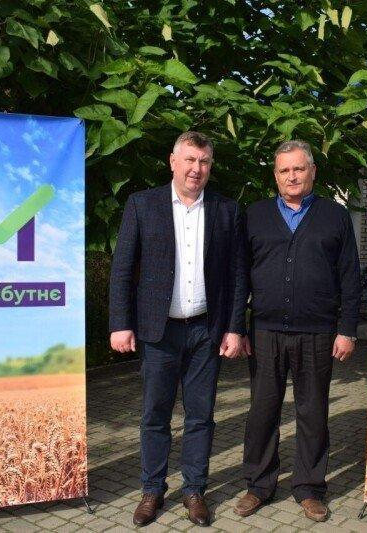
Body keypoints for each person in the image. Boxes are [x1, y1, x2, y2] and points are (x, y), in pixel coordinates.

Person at [109, 131, 247, 527]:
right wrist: (120, 323)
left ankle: (194, 490)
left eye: (203, 162)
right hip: (159, 332)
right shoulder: (142, 204)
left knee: (201, 416)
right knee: (155, 414)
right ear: (173, 162)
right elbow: (122, 268)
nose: (196, 169)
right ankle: (152, 490)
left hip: (206, 331)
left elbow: (237, 275)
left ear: (210, 166)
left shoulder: (226, 210)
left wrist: (235, 328)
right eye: (189, 160)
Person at [234, 140, 361, 522]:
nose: (292, 176)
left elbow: (350, 276)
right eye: (284, 170)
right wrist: (236, 328)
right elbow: (240, 276)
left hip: (318, 333)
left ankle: (309, 487)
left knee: (313, 412)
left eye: (299, 168)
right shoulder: (254, 215)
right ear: (275, 175)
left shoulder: (335, 216)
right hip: (265, 332)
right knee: (262, 411)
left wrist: (347, 330)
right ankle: (258, 485)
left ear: (312, 172)